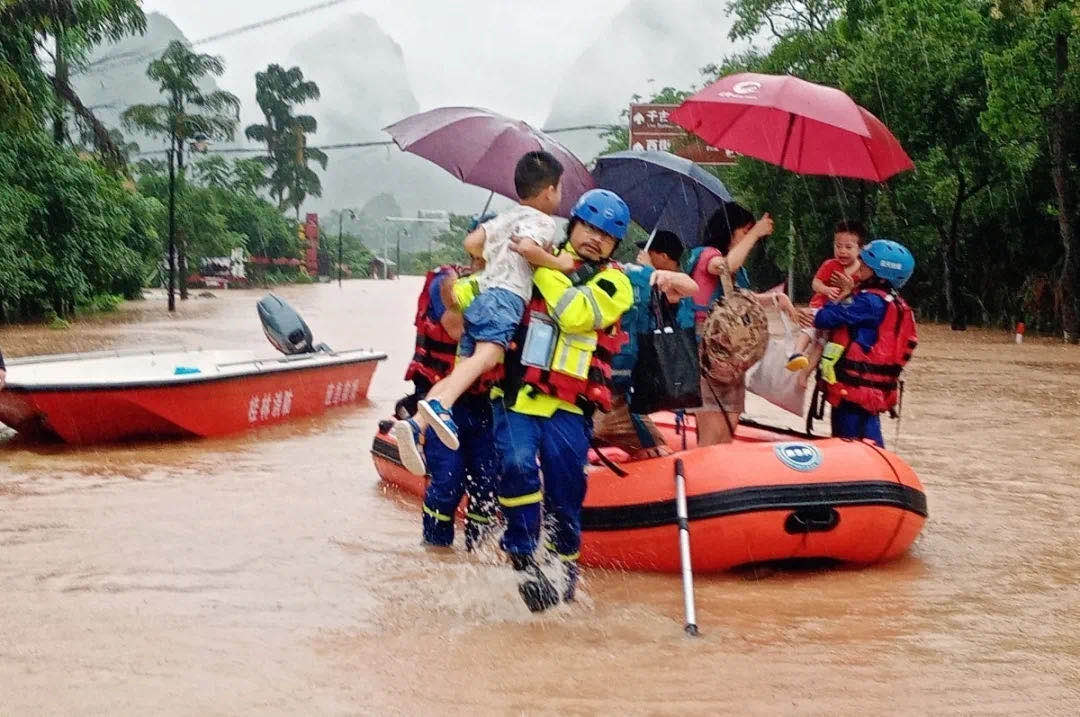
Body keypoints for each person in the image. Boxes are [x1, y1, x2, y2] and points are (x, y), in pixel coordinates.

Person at [491, 188, 634, 612]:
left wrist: (543, 265)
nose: (595, 238)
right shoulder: (529, 254)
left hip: (570, 409)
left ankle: (564, 581)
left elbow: (573, 313)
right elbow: (481, 294)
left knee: (566, 496)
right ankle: (521, 557)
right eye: (589, 226)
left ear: (614, 245)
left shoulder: (616, 282)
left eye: (606, 235)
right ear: (572, 224)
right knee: (516, 467)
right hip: (518, 396)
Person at [393, 151, 573, 472]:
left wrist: (493, 255)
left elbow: (471, 243)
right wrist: (560, 262)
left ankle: (417, 423)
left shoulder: (505, 217)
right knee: (486, 357)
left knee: (460, 371)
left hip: (482, 296)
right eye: (559, 189)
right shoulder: (543, 222)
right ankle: (440, 405)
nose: (559, 197)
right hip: (505, 299)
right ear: (549, 191)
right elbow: (529, 249)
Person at [397, 260, 499, 550]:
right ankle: (435, 548)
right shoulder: (446, 281)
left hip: (486, 401)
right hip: (441, 400)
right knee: (447, 481)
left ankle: (478, 553)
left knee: (487, 483)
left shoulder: (514, 285)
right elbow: (456, 329)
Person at [680, 204, 801, 445]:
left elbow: (743, 299)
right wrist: (757, 232)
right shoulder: (706, 256)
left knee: (728, 425)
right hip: (708, 355)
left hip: (732, 357)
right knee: (712, 429)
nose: (749, 238)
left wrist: (776, 298)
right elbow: (725, 266)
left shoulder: (738, 269)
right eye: (745, 232)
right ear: (729, 230)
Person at [593, 230, 697, 459]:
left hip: (633, 382)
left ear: (664, 257)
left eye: (649, 250)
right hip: (613, 382)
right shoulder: (625, 277)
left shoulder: (657, 282)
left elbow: (691, 288)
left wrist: (649, 270)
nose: (642, 253)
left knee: (654, 447)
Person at [813, 239, 918, 447]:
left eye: (865, 264)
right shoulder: (892, 302)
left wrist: (842, 296)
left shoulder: (869, 302)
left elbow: (823, 318)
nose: (859, 266)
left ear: (880, 272)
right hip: (870, 394)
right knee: (869, 442)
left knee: (848, 447)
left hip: (853, 393)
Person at [786, 220, 868, 374]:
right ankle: (796, 353)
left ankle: (808, 371)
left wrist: (848, 293)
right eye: (838, 246)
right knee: (809, 329)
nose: (842, 251)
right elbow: (815, 283)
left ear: (860, 249)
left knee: (822, 341)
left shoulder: (862, 271)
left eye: (848, 247)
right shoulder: (830, 265)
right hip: (820, 306)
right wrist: (825, 289)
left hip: (839, 312)